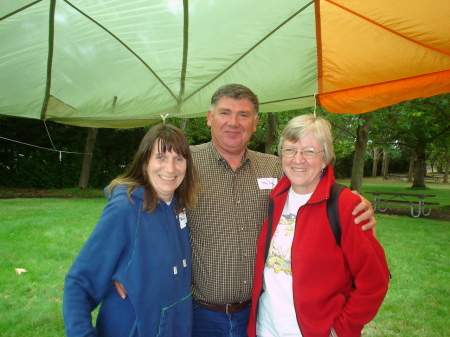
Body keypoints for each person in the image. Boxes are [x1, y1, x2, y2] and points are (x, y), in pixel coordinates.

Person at [186, 84, 377, 337]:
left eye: (243, 115)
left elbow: (314, 182)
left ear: (255, 123)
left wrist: (356, 202)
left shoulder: (275, 169)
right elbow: (142, 194)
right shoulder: (183, 163)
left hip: (255, 313)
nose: (233, 122)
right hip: (202, 314)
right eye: (225, 113)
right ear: (210, 118)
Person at [247, 114, 390, 337]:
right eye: (290, 149)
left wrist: (341, 330)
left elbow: (374, 280)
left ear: (325, 159)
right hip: (266, 327)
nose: (298, 159)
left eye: (309, 151)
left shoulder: (344, 204)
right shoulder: (276, 197)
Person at [63, 124, 199, 337]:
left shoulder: (179, 206)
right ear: (145, 161)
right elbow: (80, 283)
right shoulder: (125, 209)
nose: (170, 168)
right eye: (161, 157)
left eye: (179, 159)